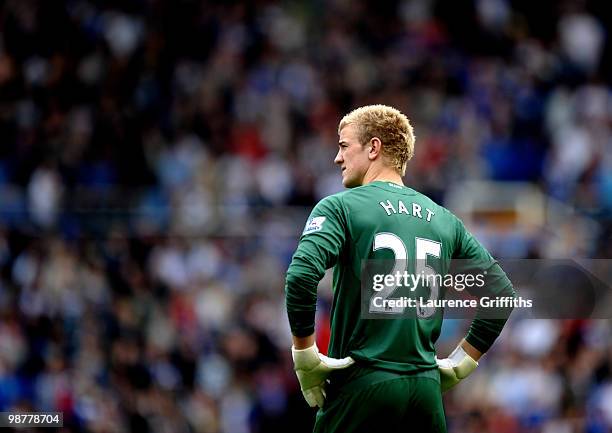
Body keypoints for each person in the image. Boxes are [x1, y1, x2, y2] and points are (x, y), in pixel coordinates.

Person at [285, 104, 515, 433]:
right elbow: (501, 294)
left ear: (374, 147)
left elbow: (301, 275)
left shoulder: (341, 207)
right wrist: (461, 363)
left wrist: (305, 357)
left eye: (344, 145)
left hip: (362, 382)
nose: (338, 158)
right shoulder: (444, 219)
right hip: (424, 392)